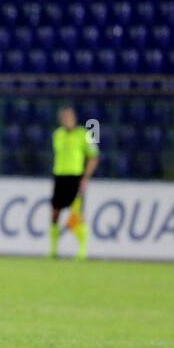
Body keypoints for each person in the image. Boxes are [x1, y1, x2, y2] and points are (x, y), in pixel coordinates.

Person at [48, 106, 99, 260]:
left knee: (75, 216)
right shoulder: (57, 134)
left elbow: (94, 157)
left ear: (74, 118)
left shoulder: (85, 133)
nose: (66, 120)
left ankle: (82, 250)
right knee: (55, 212)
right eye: (64, 118)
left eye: (69, 117)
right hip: (59, 176)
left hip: (75, 177)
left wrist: (86, 177)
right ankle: (53, 250)